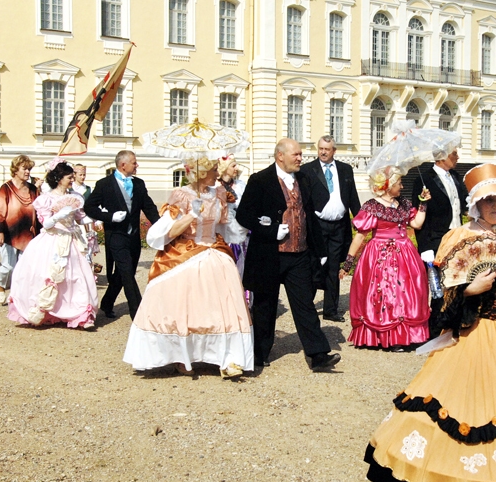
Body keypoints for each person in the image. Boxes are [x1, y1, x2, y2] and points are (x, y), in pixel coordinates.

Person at [364, 163, 496, 482]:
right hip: (476, 331)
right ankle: (441, 471)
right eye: (489, 201)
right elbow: (443, 295)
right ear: (476, 206)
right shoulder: (461, 237)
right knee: (461, 398)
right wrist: (472, 288)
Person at [123, 157, 253, 378]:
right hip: (187, 253)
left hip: (215, 253)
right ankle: (182, 356)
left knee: (222, 309)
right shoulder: (181, 195)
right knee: (184, 309)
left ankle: (227, 357)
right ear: (200, 172)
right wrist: (193, 213)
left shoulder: (219, 193)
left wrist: (243, 226)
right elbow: (169, 232)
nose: (216, 173)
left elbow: (225, 226)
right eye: (212, 169)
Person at [236, 138, 341, 372]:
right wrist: (271, 230)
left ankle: (318, 354)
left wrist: (320, 251)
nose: (300, 158)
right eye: (296, 154)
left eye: (301, 154)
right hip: (269, 255)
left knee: (305, 304)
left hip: (299, 254)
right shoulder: (260, 180)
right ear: (280, 156)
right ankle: (258, 353)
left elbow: (309, 216)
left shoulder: (304, 179)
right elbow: (243, 216)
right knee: (265, 306)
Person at [339, 166, 430, 350]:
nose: (402, 186)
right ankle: (384, 337)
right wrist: (347, 263)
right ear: (387, 185)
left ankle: (403, 336)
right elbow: (359, 237)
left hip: (405, 255)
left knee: (405, 294)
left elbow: (417, 223)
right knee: (384, 294)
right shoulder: (372, 206)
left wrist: (423, 203)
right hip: (379, 256)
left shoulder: (403, 204)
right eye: (399, 183)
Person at [7, 159, 98, 329]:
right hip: (53, 239)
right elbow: (46, 223)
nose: (72, 180)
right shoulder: (46, 199)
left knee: (76, 277)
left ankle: (77, 313)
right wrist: (58, 216)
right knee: (48, 275)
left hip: (71, 239)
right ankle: (47, 311)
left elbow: (80, 218)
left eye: (72, 177)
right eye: (69, 177)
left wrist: (98, 215)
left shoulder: (74, 197)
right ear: (59, 178)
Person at [84, 150, 160, 320]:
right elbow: (89, 207)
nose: (137, 165)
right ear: (123, 164)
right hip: (116, 236)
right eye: (134, 162)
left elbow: (148, 207)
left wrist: (161, 225)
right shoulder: (104, 184)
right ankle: (138, 312)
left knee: (124, 272)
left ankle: (107, 302)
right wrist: (109, 217)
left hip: (133, 236)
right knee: (127, 273)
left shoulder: (139, 184)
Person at [300, 135, 361, 322]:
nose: (323, 152)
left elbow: (352, 197)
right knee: (314, 265)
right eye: (320, 149)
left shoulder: (345, 169)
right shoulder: (307, 170)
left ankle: (330, 310)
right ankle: (306, 307)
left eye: (327, 149)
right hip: (317, 226)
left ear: (334, 150)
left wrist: (360, 221)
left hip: (338, 226)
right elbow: (304, 201)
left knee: (334, 267)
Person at [410, 147, 468, 339]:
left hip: (457, 238)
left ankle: (453, 325)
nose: (457, 157)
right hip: (435, 240)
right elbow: (419, 216)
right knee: (437, 289)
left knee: (457, 284)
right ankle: (434, 331)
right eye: (454, 154)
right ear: (442, 157)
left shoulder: (456, 177)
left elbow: (464, 205)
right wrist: (425, 247)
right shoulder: (424, 179)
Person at [0, 155, 40, 305]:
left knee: (24, 268)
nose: (27, 172)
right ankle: (1, 286)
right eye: (24, 168)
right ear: (16, 170)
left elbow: (39, 210)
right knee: (8, 266)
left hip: (28, 233)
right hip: (9, 232)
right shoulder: (6, 188)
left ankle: (17, 295)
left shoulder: (33, 189)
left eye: (29, 169)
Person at [218, 154, 250, 282]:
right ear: (225, 168)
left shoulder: (240, 185)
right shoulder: (215, 187)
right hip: (222, 232)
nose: (236, 168)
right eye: (233, 165)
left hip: (240, 229)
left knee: (242, 265)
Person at [71, 163, 102, 272]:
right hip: (73, 222)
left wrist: (97, 220)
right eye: (80, 175)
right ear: (74, 175)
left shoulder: (88, 189)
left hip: (86, 221)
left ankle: (87, 271)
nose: (83, 177)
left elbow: (93, 206)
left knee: (87, 245)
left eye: (84, 175)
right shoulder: (70, 189)